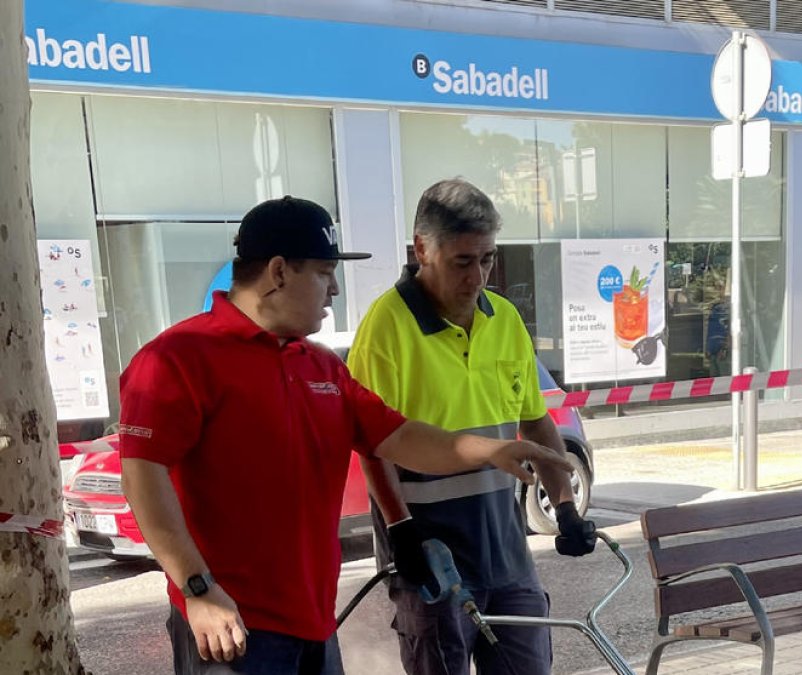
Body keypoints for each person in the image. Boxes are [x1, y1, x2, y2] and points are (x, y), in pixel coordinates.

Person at [118, 196, 570, 675]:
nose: (334, 289)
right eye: (324, 272)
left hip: (314, 623)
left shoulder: (322, 366)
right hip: (231, 625)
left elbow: (399, 437)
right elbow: (143, 476)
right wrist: (198, 589)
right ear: (278, 272)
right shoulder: (178, 358)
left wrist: (492, 450)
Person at [349, 178, 596, 675]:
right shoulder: (386, 327)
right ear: (422, 249)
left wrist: (565, 506)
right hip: (430, 554)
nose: (478, 276)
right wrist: (400, 532)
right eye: (463, 261)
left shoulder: (504, 318)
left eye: (487, 259)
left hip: (505, 549)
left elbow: (537, 423)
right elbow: (373, 446)